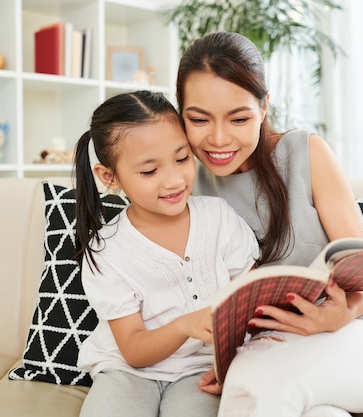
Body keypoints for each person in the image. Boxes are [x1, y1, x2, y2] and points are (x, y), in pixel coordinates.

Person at [176, 32, 363, 417]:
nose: (219, 138)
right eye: (198, 120)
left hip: (361, 331)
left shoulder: (304, 152)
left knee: (254, 389)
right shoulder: (182, 185)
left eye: (239, 118)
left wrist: (340, 314)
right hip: (272, 350)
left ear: (263, 108)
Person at [73, 90, 259, 417]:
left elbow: (252, 299)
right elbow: (132, 350)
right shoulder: (106, 250)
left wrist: (235, 360)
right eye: (149, 171)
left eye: (182, 158)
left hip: (200, 368)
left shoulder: (219, 218)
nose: (174, 180)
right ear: (109, 176)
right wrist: (183, 325)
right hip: (127, 372)